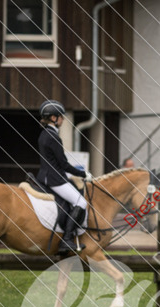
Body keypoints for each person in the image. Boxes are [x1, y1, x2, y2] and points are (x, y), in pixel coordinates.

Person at [36, 100, 93, 254]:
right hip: (54, 179)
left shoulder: (44, 133)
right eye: (61, 116)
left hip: (45, 175)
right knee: (81, 202)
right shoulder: (53, 136)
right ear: (54, 118)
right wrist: (83, 174)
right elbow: (64, 164)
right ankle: (66, 239)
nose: (62, 119)